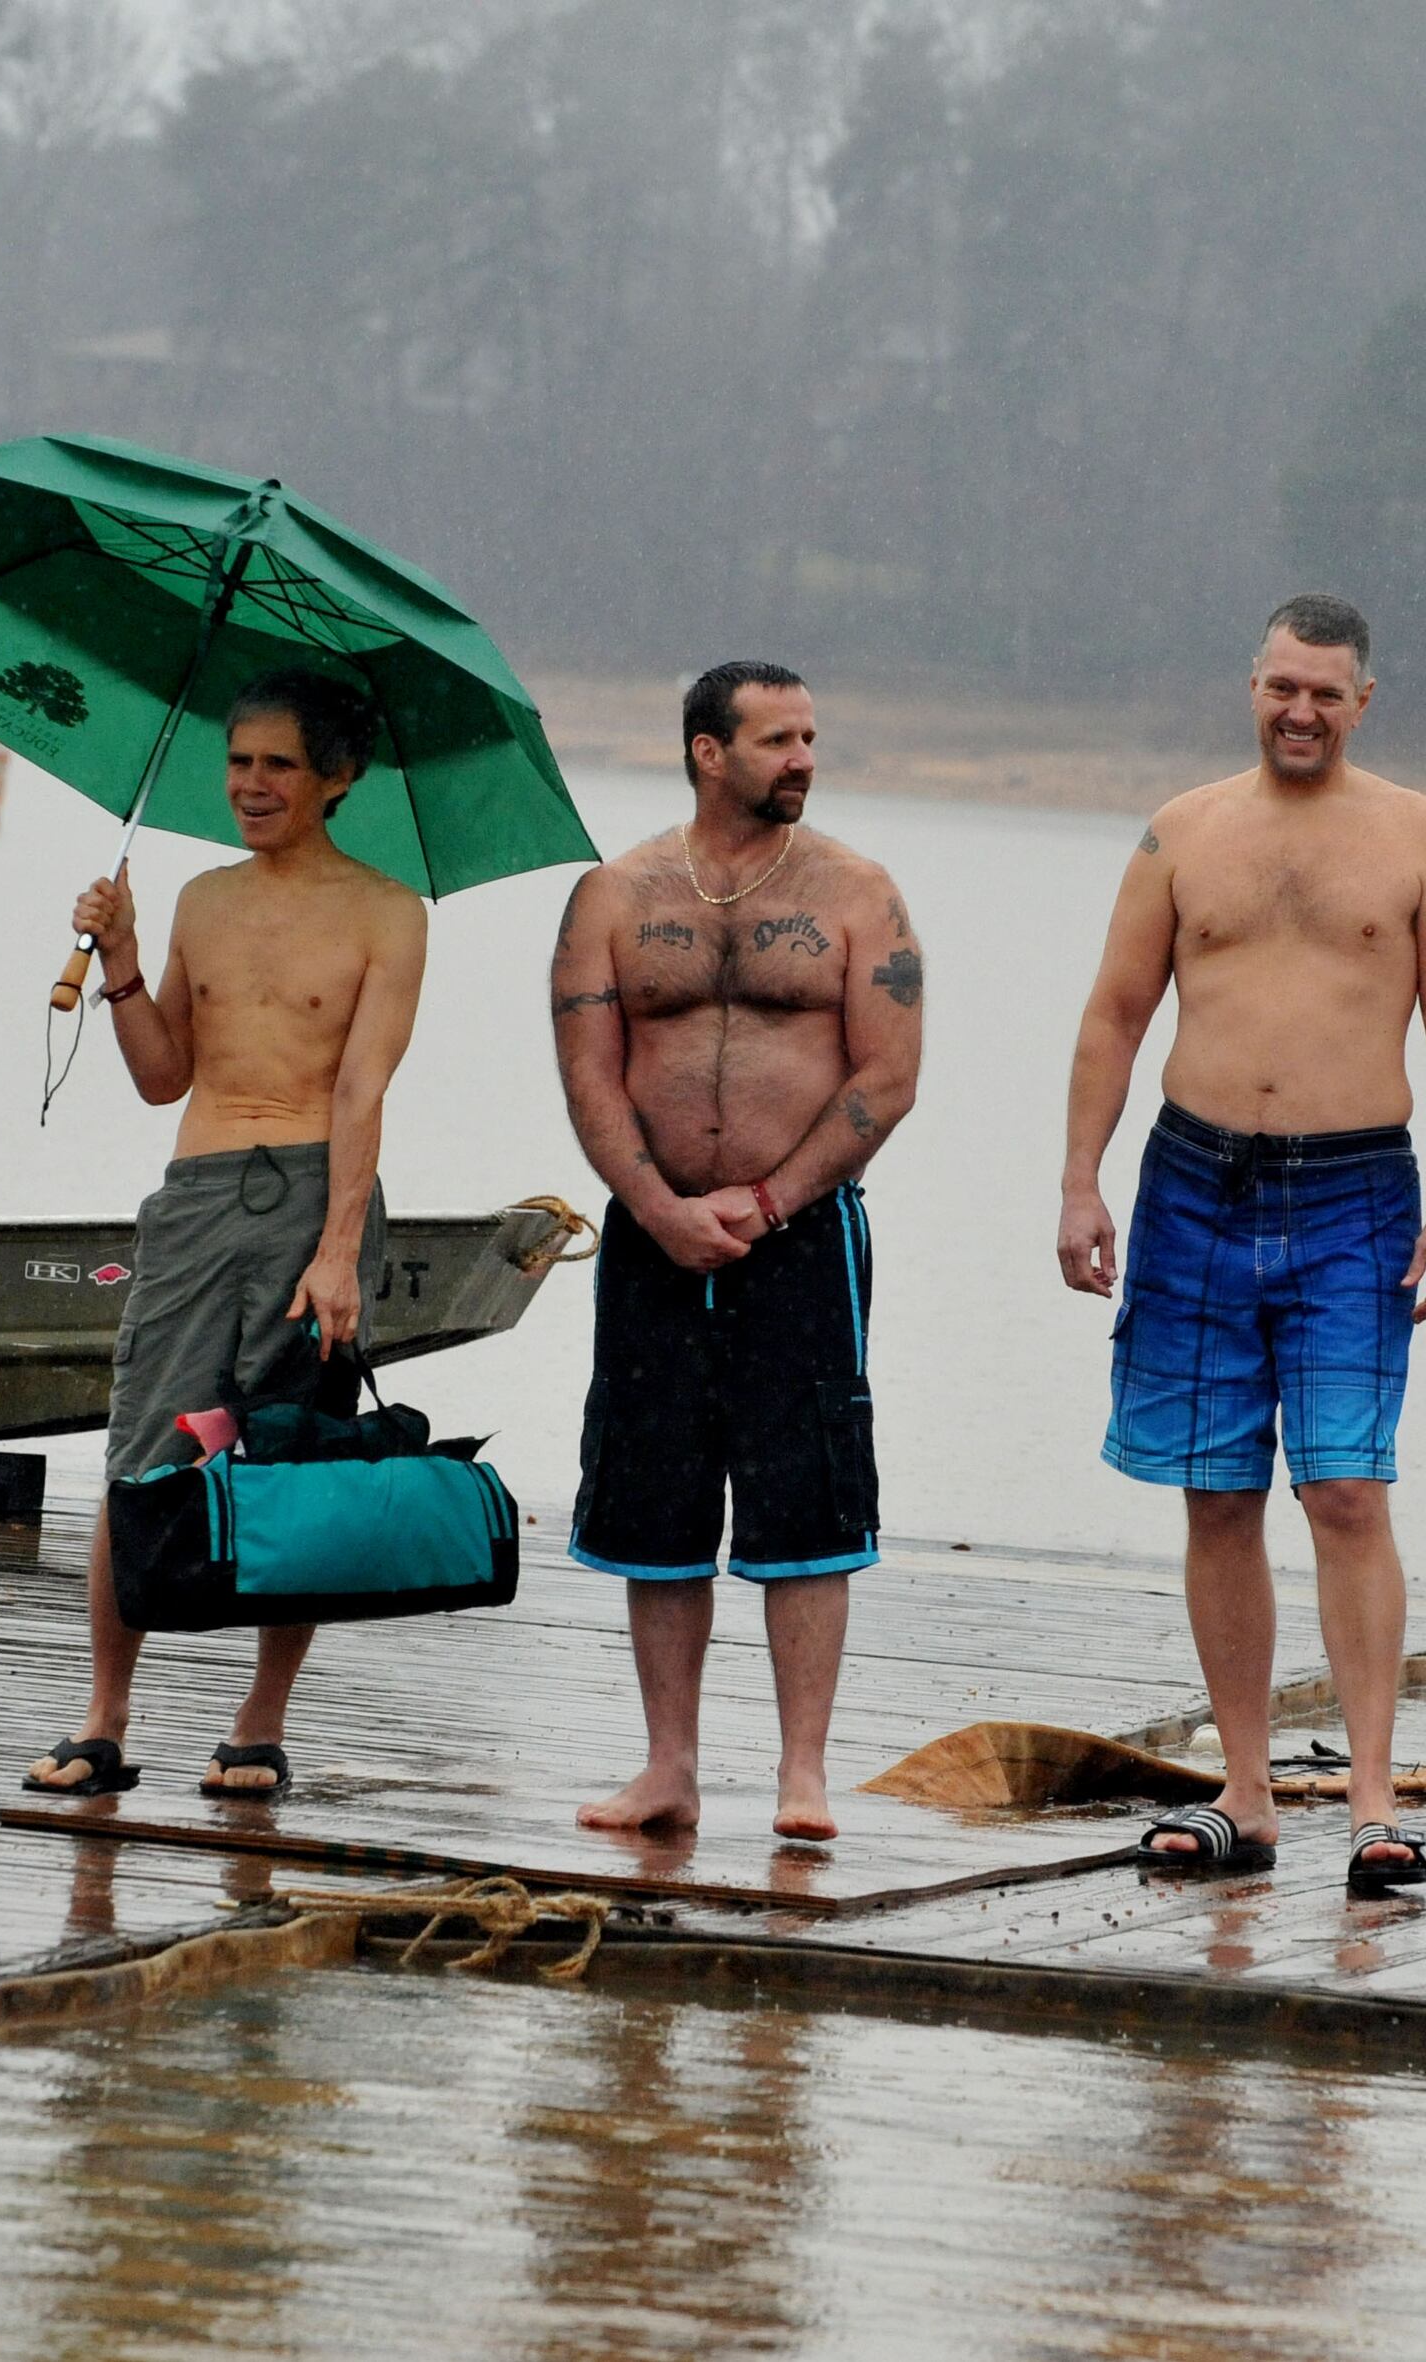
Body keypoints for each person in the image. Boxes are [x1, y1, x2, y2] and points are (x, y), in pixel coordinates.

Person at [1056, 595, 1426, 1896]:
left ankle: (1373, 1802)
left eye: (1326, 692)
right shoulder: (1182, 832)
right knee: (1216, 1487)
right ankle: (1244, 1795)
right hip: (1196, 1181)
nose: (1300, 710)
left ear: (1364, 703)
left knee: (1348, 1488)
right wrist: (1080, 1182)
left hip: (1357, 1189)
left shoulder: (1420, 835)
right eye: (1281, 686)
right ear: (1251, 685)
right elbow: (1113, 1016)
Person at [23, 667, 425, 1803]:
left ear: (336, 777)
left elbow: (362, 1090)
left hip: (315, 1187)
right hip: (198, 1186)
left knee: (291, 1450)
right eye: (240, 761)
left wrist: (339, 1247)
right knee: (141, 1445)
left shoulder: (390, 913)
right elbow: (161, 1077)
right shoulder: (201, 896)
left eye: (279, 765)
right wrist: (122, 963)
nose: (251, 784)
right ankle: (105, 1716)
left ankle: (259, 1723)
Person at [551, 659, 920, 1843]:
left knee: (807, 1500)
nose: (802, 758)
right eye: (776, 740)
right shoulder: (613, 894)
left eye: (810, 736)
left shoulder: (860, 893)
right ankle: (670, 1767)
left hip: (803, 1234)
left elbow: (889, 1077)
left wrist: (765, 1202)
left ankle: (801, 1775)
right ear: (709, 751)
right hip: (652, 1236)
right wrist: (659, 1206)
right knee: (654, 1503)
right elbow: (590, 1080)